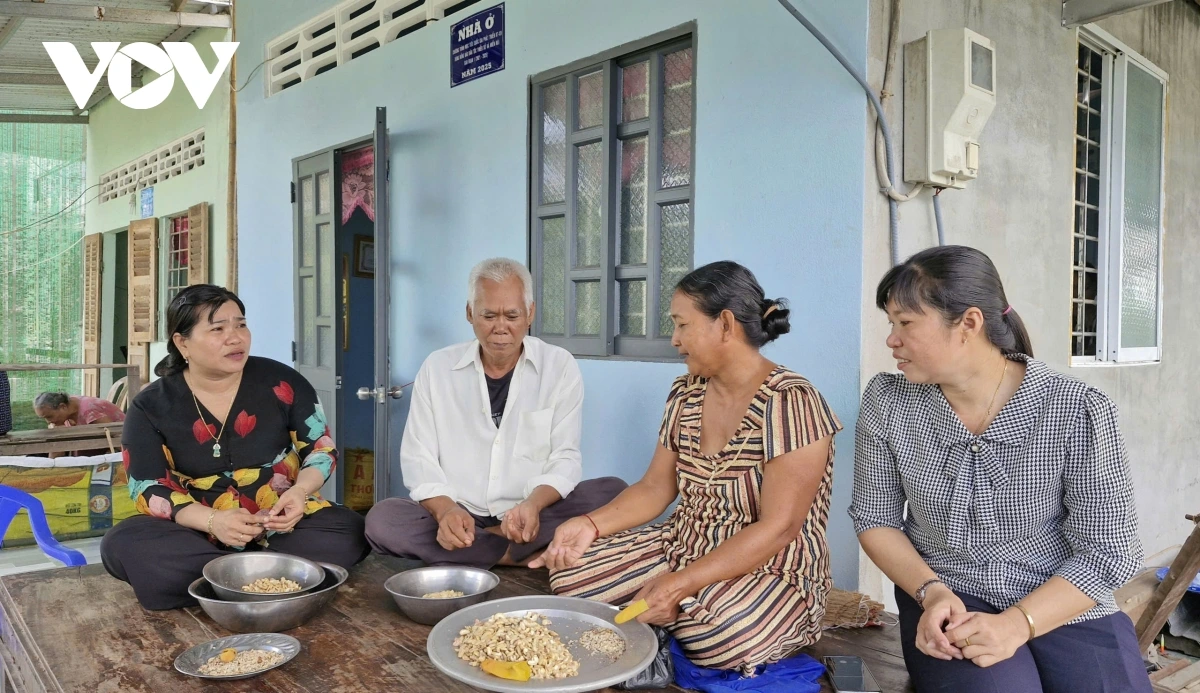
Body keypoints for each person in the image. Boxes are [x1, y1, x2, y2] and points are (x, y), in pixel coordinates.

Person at [850, 245, 1150, 693]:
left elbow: (1110, 550)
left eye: (906, 323)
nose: (892, 339)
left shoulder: (1076, 410)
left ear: (969, 323)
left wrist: (1016, 625)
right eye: (890, 323)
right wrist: (931, 593)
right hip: (945, 594)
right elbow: (876, 518)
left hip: (1063, 598)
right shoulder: (889, 401)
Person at [535, 261, 842, 675]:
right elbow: (654, 489)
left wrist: (680, 584)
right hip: (683, 544)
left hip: (771, 566)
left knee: (713, 634)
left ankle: (703, 611)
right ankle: (673, 609)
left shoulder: (791, 402)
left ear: (726, 325)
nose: (675, 340)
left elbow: (779, 528)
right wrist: (589, 525)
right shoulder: (686, 392)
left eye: (682, 325)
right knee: (570, 576)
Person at [100, 284, 370, 610]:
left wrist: (299, 492)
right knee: (124, 545)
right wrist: (214, 522)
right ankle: (276, 578)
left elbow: (321, 449)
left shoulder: (281, 381)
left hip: (279, 524)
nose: (236, 337)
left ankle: (221, 584)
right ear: (182, 342)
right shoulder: (151, 405)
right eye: (218, 329)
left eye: (241, 324)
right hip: (197, 530)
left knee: (350, 530)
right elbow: (148, 487)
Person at [364, 258, 626, 569]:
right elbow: (419, 457)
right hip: (461, 512)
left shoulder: (559, 366)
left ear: (530, 313)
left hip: (533, 512)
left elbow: (565, 457)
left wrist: (533, 504)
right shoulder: (438, 368)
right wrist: (446, 511)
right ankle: (512, 554)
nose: (500, 327)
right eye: (488, 315)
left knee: (614, 493)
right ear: (469, 313)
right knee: (382, 519)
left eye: (512, 315)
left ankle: (478, 548)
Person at [33, 391, 125, 427]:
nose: (48, 421)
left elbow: (113, 435)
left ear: (62, 407)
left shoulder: (89, 412)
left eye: (49, 416)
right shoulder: (70, 405)